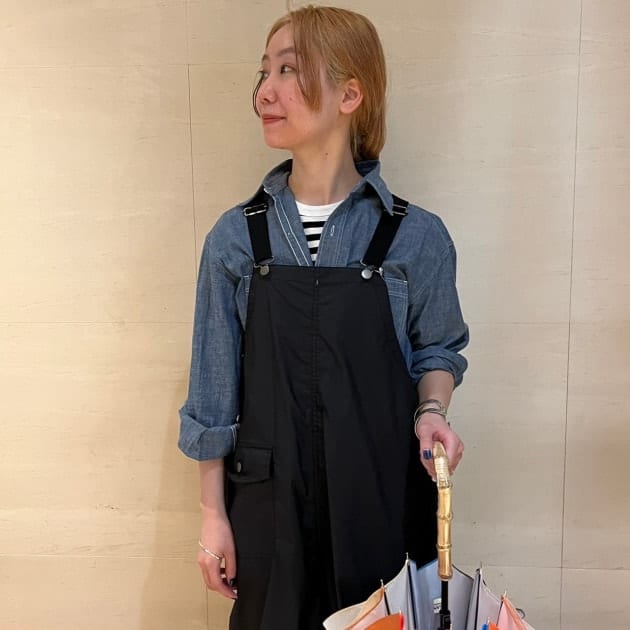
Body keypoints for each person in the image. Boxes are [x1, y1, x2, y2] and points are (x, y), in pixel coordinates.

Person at [178, 5, 468, 629]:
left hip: (381, 501)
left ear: (350, 94)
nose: (265, 91)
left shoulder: (416, 237)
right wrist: (212, 516)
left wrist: (433, 411)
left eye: (288, 70)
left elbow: (437, 350)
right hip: (267, 508)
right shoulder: (236, 239)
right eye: (264, 73)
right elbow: (212, 392)